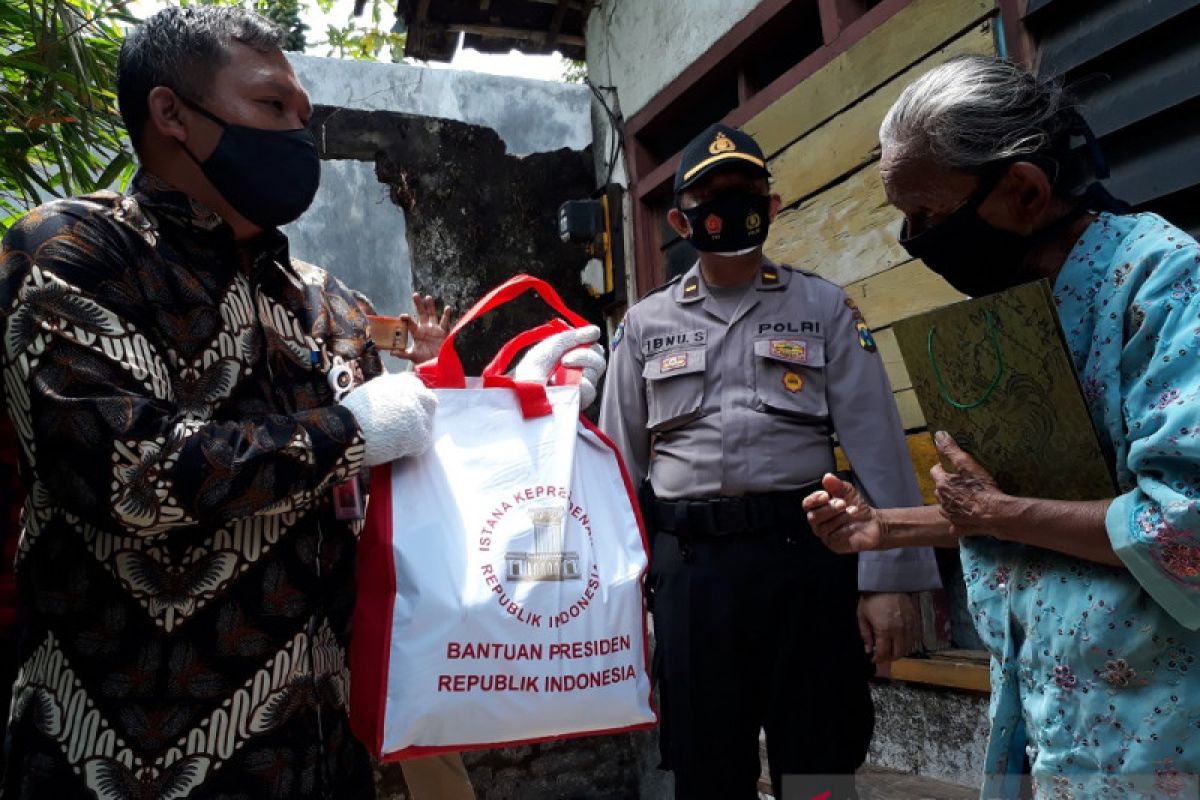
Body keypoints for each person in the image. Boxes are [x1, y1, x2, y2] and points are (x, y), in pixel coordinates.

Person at [0, 7, 602, 798]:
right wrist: (350, 433)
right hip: (120, 759)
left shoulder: (327, 303)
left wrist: (525, 408)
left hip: (321, 752)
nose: (298, 134)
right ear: (170, 112)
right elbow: (127, 476)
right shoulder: (74, 253)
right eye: (271, 106)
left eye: (303, 115)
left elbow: (403, 468)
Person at [804, 54, 1200, 798]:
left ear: (1023, 190)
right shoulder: (1017, 307)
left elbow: (1186, 525)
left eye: (927, 215)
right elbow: (1043, 511)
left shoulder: (1165, 286)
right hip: (1052, 716)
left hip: (1159, 731)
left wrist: (1002, 511)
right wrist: (886, 528)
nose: (911, 240)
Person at [599, 123, 941, 799]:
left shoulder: (824, 308)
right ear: (678, 219)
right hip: (691, 571)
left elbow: (878, 447)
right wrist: (612, 603)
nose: (731, 203)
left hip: (807, 561)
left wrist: (890, 581)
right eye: (711, 194)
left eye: (747, 190)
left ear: (773, 205)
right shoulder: (643, 326)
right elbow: (613, 469)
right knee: (705, 765)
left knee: (819, 759)